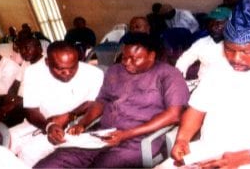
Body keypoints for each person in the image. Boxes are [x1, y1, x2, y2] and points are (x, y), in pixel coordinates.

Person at [157, 0, 250, 168]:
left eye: (245, 52)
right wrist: (182, 139)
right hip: (208, 152)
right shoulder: (218, 68)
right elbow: (197, 110)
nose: (235, 58)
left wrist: (245, 157)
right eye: (229, 49)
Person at [34, 32, 190, 168]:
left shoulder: (169, 75)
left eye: (135, 59)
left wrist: (126, 134)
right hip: (100, 135)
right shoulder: (115, 71)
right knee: (50, 164)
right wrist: (83, 124)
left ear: (152, 56)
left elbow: (174, 114)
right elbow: (101, 101)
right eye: (125, 57)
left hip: (138, 141)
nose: (127, 63)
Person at [9, 41, 104, 167]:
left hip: (72, 127)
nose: (67, 73)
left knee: (28, 153)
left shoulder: (94, 74)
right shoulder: (33, 72)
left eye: (73, 67)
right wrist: (48, 126)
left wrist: (70, 115)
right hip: (39, 122)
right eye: (60, 69)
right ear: (47, 62)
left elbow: (94, 103)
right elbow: (31, 109)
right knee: (3, 141)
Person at [0, 37, 44, 127]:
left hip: (32, 102)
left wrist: (12, 104)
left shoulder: (46, 64)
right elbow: (15, 84)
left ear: (39, 48)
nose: (24, 52)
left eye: (27, 48)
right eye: (21, 49)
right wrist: (8, 101)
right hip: (18, 98)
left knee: (6, 115)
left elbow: (37, 95)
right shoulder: (26, 62)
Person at [175, 6, 232, 80]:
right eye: (211, 23)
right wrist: (178, 75)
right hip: (202, 85)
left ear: (231, 24)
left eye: (219, 23)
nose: (213, 27)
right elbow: (185, 59)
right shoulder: (202, 43)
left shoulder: (238, 47)